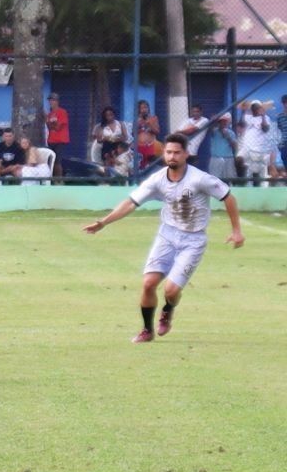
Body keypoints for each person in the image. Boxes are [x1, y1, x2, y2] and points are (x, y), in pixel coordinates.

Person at [83, 133, 244, 343]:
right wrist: (103, 222)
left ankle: (168, 309)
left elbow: (228, 197)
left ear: (186, 154)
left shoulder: (200, 179)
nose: (172, 156)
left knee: (171, 290)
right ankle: (147, 330)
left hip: (193, 240)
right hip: (167, 235)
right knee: (149, 283)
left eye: (177, 152)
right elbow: (131, 202)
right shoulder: (157, 180)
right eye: (168, 152)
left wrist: (236, 230)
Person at [239, 101, 272, 186]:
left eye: (257, 107)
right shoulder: (248, 117)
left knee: (263, 172)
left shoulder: (266, 118)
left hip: (261, 149)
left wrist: (263, 115)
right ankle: (247, 188)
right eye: (253, 107)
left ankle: (264, 191)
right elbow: (241, 124)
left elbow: (265, 129)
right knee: (243, 164)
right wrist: (243, 110)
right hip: (248, 147)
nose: (255, 109)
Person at [207, 115, 238, 181]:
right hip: (216, 158)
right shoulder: (214, 131)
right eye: (221, 122)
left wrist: (228, 136)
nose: (223, 123)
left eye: (225, 122)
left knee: (230, 178)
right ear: (219, 123)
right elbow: (209, 128)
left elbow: (234, 146)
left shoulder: (231, 133)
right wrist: (213, 120)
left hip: (228, 158)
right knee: (214, 178)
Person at [45, 93, 69, 172]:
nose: (51, 102)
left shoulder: (62, 112)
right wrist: (49, 123)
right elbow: (49, 127)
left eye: (53, 100)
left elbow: (58, 127)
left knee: (57, 161)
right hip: (51, 140)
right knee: (50, 161)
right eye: (50, 100)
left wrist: (51, 124)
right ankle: (52, 179)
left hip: (60, 140)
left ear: (57, 101)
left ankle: (59, 181)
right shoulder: (50, 114)